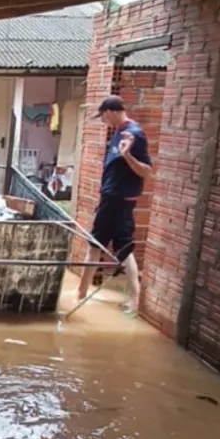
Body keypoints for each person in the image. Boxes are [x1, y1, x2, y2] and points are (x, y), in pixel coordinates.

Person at [76, 95, 155, 315]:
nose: (103, 121)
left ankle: (79, 296)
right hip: (114, 198)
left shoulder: (134, 135)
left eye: (103, 116)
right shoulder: (120, 132)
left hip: (116, 200)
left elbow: (147, 172)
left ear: (111, 112)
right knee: (123, 249)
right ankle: (134, 299)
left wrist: (126, 155)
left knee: (94, 245)